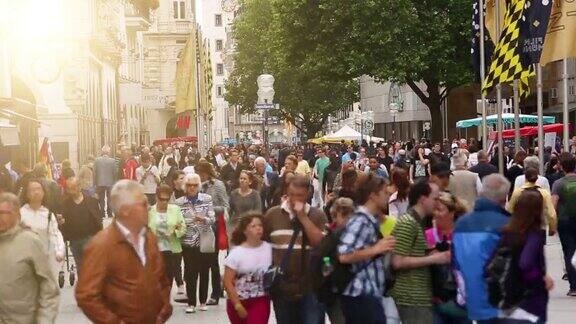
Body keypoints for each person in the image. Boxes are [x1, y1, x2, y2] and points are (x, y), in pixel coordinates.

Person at [76, 180, 172, 323]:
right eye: (144, 204)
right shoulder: (102, 245)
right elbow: (86, 295)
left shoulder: (149, 237)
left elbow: (161, 279)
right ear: (125, 210)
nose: (149, 208)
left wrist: (163, 311)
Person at [264, 175, 328, 324]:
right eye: (291, 194)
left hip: (311, 286)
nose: (293, 199)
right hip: (283, 286)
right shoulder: (273, 215)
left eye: (299, 196)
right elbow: (263, 246)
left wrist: (303, 217)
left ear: (307, 195)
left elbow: (320, 244)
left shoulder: (317, 216)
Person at [452, 174, 511, 322]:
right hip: (502, 302)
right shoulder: (508, 225)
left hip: (471, 300)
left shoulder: (461, 224)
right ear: (504, 198)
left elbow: (455, 264)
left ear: (481, 193)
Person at [338, 174, 396, 324]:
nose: (388, 195)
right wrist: (376, 248)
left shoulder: (369, 220)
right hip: (360, 295)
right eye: (384, 192)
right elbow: (344, 255)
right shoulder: (361, 221)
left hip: (368, 294)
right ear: (373, 195)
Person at [391, 179, 451, 324]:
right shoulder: (408, 223)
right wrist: (434, 259)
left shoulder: (416, 222)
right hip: (411, 297)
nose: (437, 203)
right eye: (435, 198)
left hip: (419, 296)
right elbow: (397, 261)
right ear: (423, 199)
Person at [0, 192, 60, 323]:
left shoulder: (30, 242)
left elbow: (49, 288)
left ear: (17, 214)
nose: (1, 218)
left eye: (5, 213)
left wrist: (45, 320)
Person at [499, 190, 554, 323]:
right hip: (531, 297)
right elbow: (526, 262)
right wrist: (540, 277)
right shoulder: (534, 235)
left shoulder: (507, 232)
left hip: (509, 294)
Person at [175, 173, 215, 313]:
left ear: (198, 186)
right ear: (185, 187)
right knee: (190, 273)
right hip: (188, 242)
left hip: (204, 240)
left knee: (204, 271)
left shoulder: (207, 199)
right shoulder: (179, 202)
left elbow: (212, 218)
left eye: (194, 185)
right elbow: (178, 221)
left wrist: (203, 220)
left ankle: (203, 301)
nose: (192, 188)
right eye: (189, 185)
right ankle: (191, 303)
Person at [224, 214, 273, 324]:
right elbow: (227, 281)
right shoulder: (236, 253)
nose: (258, 228)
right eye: (253, 226)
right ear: (245, 231)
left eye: (260, 225)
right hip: (238, 301)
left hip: (260, 299)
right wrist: (237, 305)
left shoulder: (269, 249)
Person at [196, 161, 229, 305]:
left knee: (213, 261)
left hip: (213, 226)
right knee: (202, 262)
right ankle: (203, 294)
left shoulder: (218, 185)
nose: (199, 176)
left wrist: (208, 209)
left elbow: (225, 206)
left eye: (200, 174)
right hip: (198, 227)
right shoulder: (197, 185)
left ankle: (216, 292)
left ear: (206, 173)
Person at [20, 178, 66, 280]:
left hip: (44, 260)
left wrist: (59, 251)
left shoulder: (48, 215)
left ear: (44, 193)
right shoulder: (21, 214)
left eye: (38, 189)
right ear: (27, 194)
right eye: (32, 190)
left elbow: (55, 234)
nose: (36, 192)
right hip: (25, 262)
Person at [60, 177, 103, 273]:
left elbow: (98, 219)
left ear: (79, 187)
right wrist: (62, 223)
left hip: (90, 238)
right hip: (74, 240)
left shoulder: (92, 201)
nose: (72, 190)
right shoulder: (65, 204)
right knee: (80, 267)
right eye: (69, 188)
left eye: (74, 187)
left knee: (90, 266)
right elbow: (62, 222)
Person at [148, 184, 187, 286]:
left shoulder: (175, 209)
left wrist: (174, 232)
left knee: (169, 279)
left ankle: (166, 300)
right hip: (155, 250)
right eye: (162, 199)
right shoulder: (149, 211)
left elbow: (183, 228)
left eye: (167, 199)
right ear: (156, 197)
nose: (164, 202)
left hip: (172, 249)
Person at [551, 153, 576, 296]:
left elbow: (553, 205)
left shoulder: (559, 183)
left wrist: (552, 224)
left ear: (562, 167)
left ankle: (574, 286)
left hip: (565, 221)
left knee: (569, 252)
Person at [508, 167, 557, 236]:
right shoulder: (544, 193)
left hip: (521, 227)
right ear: (537, 178)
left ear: (525, 178)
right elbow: (551, 213)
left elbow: (509, 210)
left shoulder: (517, 192)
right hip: (539, 227)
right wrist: (552, 228)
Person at [94, 145, 117, 218]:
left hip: (100, 182)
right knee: (109, 198)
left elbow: (95, 172)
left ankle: (102, 213)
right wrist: (115, 181)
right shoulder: (112, 161)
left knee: (101, 198)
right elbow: (114, 172)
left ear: (102, 152)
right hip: (110, 182)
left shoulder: (97, 160)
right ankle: (109, 212)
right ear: (108, 152)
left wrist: (95, 182)